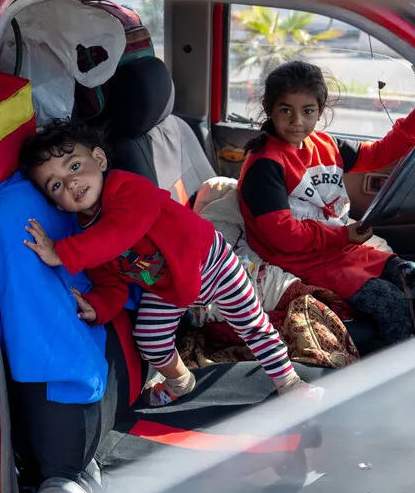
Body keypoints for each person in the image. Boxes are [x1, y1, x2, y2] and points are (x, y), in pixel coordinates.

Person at [18, 119, 317, 401]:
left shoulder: (128, 190)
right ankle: (180, 380)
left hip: (212, 263)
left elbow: (118, 233)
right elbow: (110, 282)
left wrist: (62, 252)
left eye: (74, 166)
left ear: (99, 160)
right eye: (55, 185)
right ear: (54, 203)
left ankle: (287, 382)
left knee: (252, 325)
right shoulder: (86, 235)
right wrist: (98, 306)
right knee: (148, 338)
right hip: (168, 288)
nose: (70, 183)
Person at [237, 60, 415, 345]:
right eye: (286, 110)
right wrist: (343, 234)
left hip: (338, 249)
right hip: (302, 260)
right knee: (392, 304)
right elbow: (284, 236)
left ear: (320, 111)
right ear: (268, 108)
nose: (297, 121)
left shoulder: (325, 145)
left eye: (307, 111)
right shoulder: (265, 165)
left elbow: (379, 154)